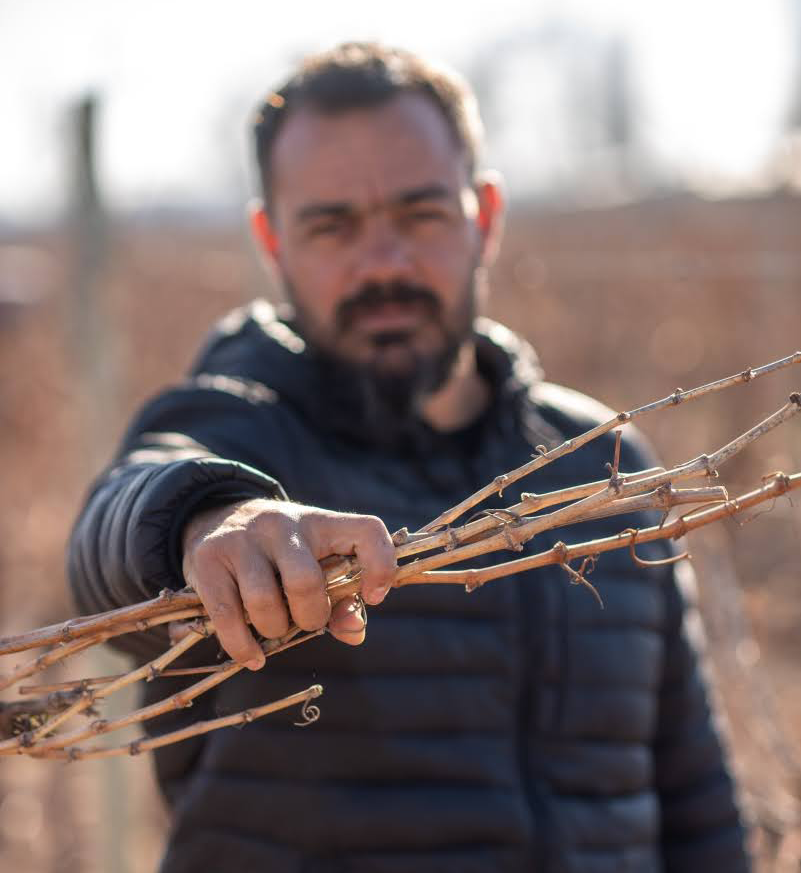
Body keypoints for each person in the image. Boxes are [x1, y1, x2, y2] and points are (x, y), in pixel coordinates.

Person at [68, 42, 750, 873]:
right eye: (332, 226)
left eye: (419, 214)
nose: (383, 263)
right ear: (272, 241)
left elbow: (693, 796)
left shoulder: (599, 464)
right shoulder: (236, 430)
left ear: (483, 216)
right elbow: (117, 522)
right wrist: (211, 520)